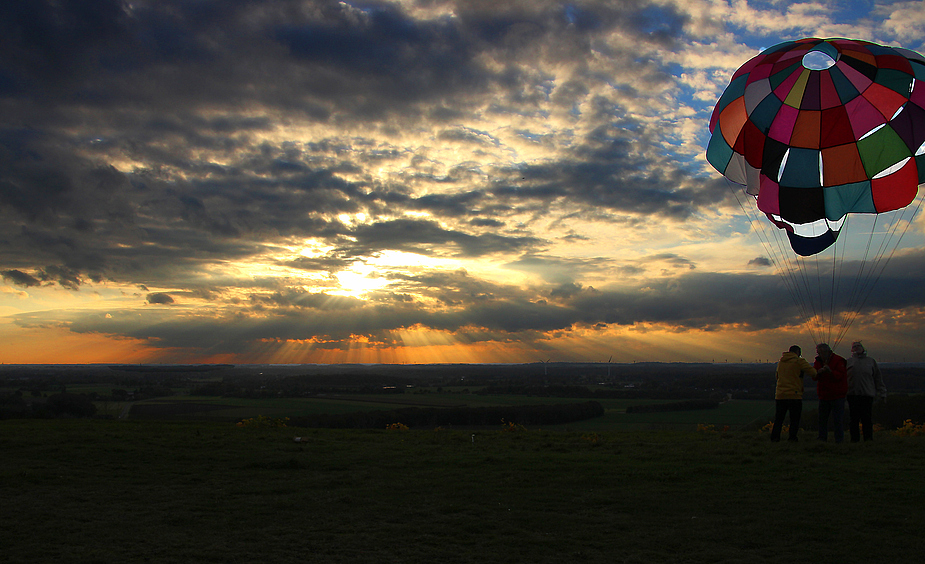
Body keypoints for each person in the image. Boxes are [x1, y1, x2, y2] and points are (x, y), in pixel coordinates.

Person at [771, 345, 817, 442]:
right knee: (794, 419)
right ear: (798, 352)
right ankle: (792, 438)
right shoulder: (799, 361)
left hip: (780, 394)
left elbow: (777, 376)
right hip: (794, 394)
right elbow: (813, 373)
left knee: (779, 418)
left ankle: (775, 438)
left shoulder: (781, 362)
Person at [846, 341, 886, 442]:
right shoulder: (848, 362)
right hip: (852, 394)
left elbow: (877, 378)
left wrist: (882, 392)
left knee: (867, 419)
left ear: (863, 348)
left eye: (859, 346)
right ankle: (854, 440)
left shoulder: (871, 361)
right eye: (854, 346)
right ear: (852, 350)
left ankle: (868, 439)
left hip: (867, 394)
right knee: (853, 419)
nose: (857, 348)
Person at [812, 343, 847, 442]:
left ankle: (839, 440)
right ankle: (822, 438)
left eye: (821, 352)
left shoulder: (839, 360)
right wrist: (819, 372)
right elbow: (814, 376)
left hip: (837, 395)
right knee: (822, 419)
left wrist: (830, 371)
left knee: (837, 419)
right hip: (824, 395)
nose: (819, 354)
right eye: (818, 352)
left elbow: (841, 376)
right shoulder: (818, 361)